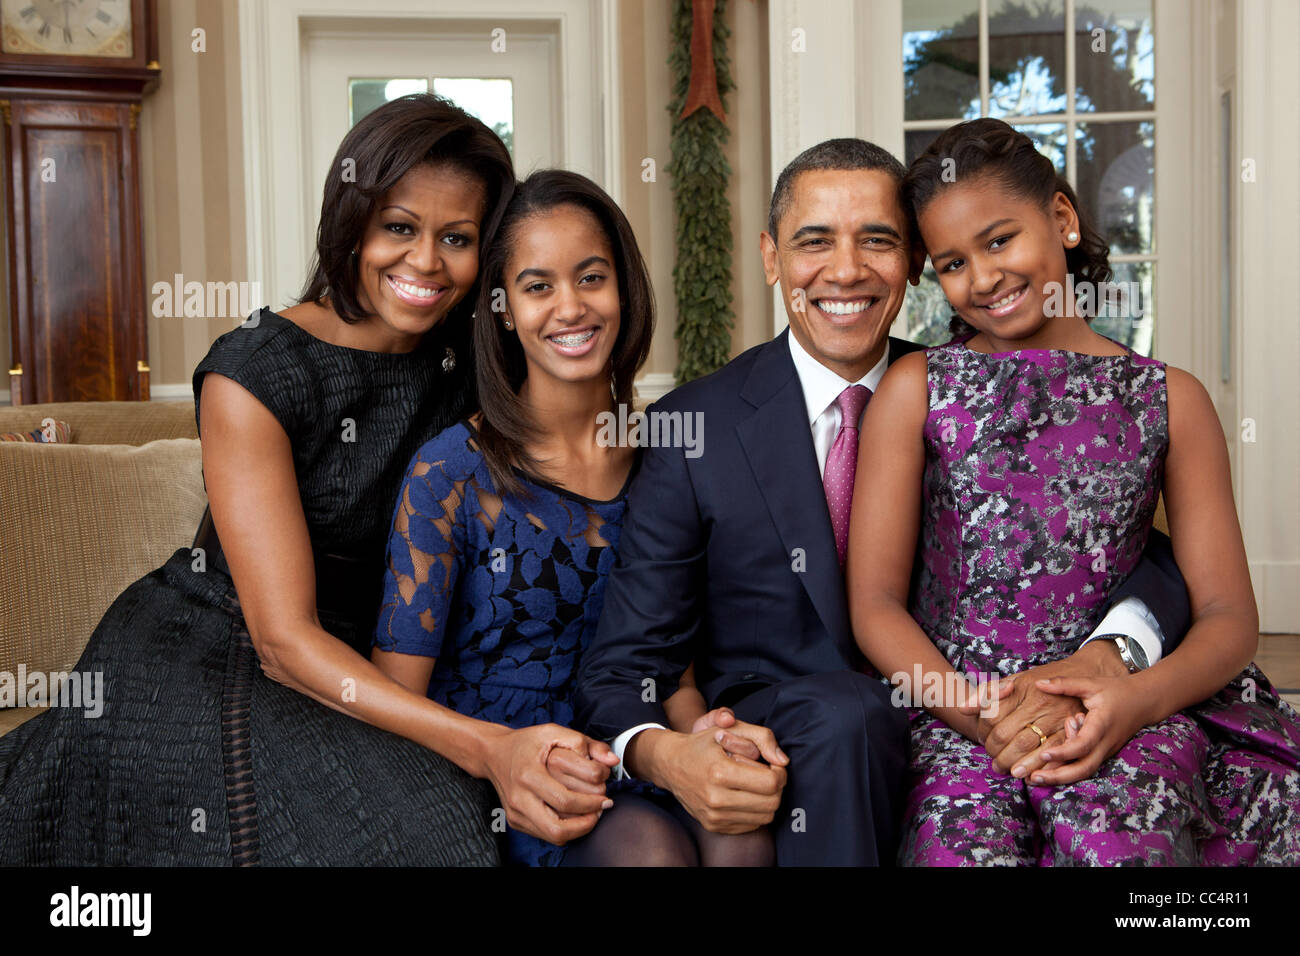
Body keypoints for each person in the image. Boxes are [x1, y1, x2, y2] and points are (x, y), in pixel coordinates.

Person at [575, 137, 1195, 866]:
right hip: (799, 732)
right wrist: (670, 753)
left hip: (979, 714)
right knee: (848, 712)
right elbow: (623, 666)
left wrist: (1117, 649)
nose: (846, 269)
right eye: (815, 242)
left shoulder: (969, 386)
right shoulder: (693, 429)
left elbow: (1128, 542)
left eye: (878, 241)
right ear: (773, 257)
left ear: (912, 264)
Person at [0, 94, 519, 864]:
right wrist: (485, 747)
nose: (425, 263)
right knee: (425, 836)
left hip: (372, 657)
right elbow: (283, 639)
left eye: (458, 238)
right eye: (399, 228)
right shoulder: (256, 370)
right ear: (352, 223)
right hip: (222, 649)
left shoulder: (471, 366)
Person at [849, 117, 1300, 865]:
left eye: (1000, 241)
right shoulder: (916, 389)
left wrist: (1131, 703)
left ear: (1061, 218)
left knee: (1119, 838)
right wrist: (981, 713)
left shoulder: (1170, 399)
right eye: (954, 263)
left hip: (1127, 707)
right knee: (963, 846)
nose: (984, 278)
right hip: (965, 711)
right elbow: (874, 605)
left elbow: (1228, 618)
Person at [371, 169, 774, 867]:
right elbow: (395, 698)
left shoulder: (668, 457)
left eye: (591, 278)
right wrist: (497, 758)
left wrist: (705, 737)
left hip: (632, 746)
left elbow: (669, 670)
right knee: (651, 852)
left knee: (739, 836)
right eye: (538, 286)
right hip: (505, 775)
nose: (570, 307)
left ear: (623, 288)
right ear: (502, 308)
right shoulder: (450, 474)